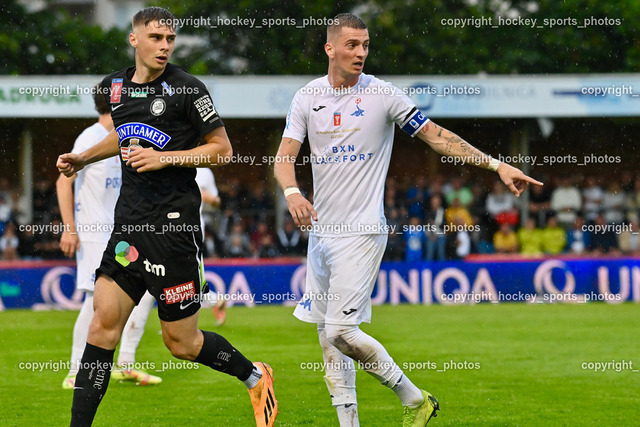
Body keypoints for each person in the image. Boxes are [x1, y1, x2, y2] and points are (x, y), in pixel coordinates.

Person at [274, 13, 542, 426]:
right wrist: (293, 192)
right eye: (352, 45)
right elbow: (284, 158)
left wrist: (496, 165)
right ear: (330, 48)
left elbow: (437, 137)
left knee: (341, 331)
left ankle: (415, 398)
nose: (361, 53)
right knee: (327, 336)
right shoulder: (307, 97)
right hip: (320, 233)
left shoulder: (383, 94)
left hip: (362, 230)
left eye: (365, 45)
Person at [56, 7, 277, 426]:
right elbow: (122, 133)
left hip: (174, 229)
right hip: (128, 228)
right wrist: (83, 158)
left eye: (170, 39)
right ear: (134, 39)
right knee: (101, 329)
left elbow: (222, 150)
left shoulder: (188, 88)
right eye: (156, 37)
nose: (164, 46)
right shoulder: (117, 87)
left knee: (181, 343)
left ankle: (254, 375)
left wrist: (165, 157)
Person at [56, 87, 161, 389]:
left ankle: (125, 362)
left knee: (144, 289)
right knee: (95, 298)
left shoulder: (126, 137)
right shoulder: (90, 137)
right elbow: (63, 182)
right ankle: (74, 371)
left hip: (120, 233)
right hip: (92, 233)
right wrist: (69, 228)